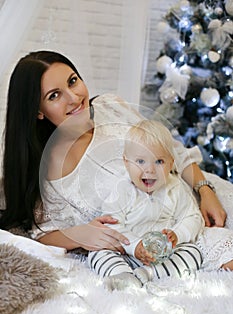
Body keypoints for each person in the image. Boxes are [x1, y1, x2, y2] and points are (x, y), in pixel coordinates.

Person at [0, 50, 233, 274]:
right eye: (54, 95)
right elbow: (41, 232)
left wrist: (205, 190)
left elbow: (171, 149)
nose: (74, 98)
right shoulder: (48, 168)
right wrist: (80, 234)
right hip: (146, 244)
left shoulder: (110, 107)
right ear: (38, 111)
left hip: (191, 204)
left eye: (73, 81)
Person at [88, 120, 204, 290]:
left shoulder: (175, 188)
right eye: (141, 161)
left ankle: (145, 275)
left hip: (164, 255)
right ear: (126, 163)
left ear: (171, 164)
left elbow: (193, 218)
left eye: (159, 162)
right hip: (128, 252)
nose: (149, 169)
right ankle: (121, 275)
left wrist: (177, 235)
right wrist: (134, 247)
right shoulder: (122, 189)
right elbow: (113, 226)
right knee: (97, 252)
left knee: (193, 253)